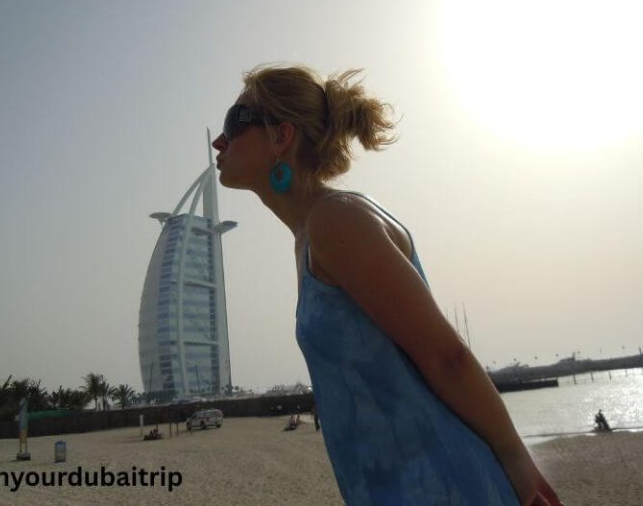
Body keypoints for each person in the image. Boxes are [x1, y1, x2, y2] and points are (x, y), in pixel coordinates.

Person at [212, 64, 561, 505]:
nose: (218, 142)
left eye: (233, 123)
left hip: (445, 487)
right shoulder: (311, 237)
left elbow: (446, 357)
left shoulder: (335, 221)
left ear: (282, 137)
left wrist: (517, 461)